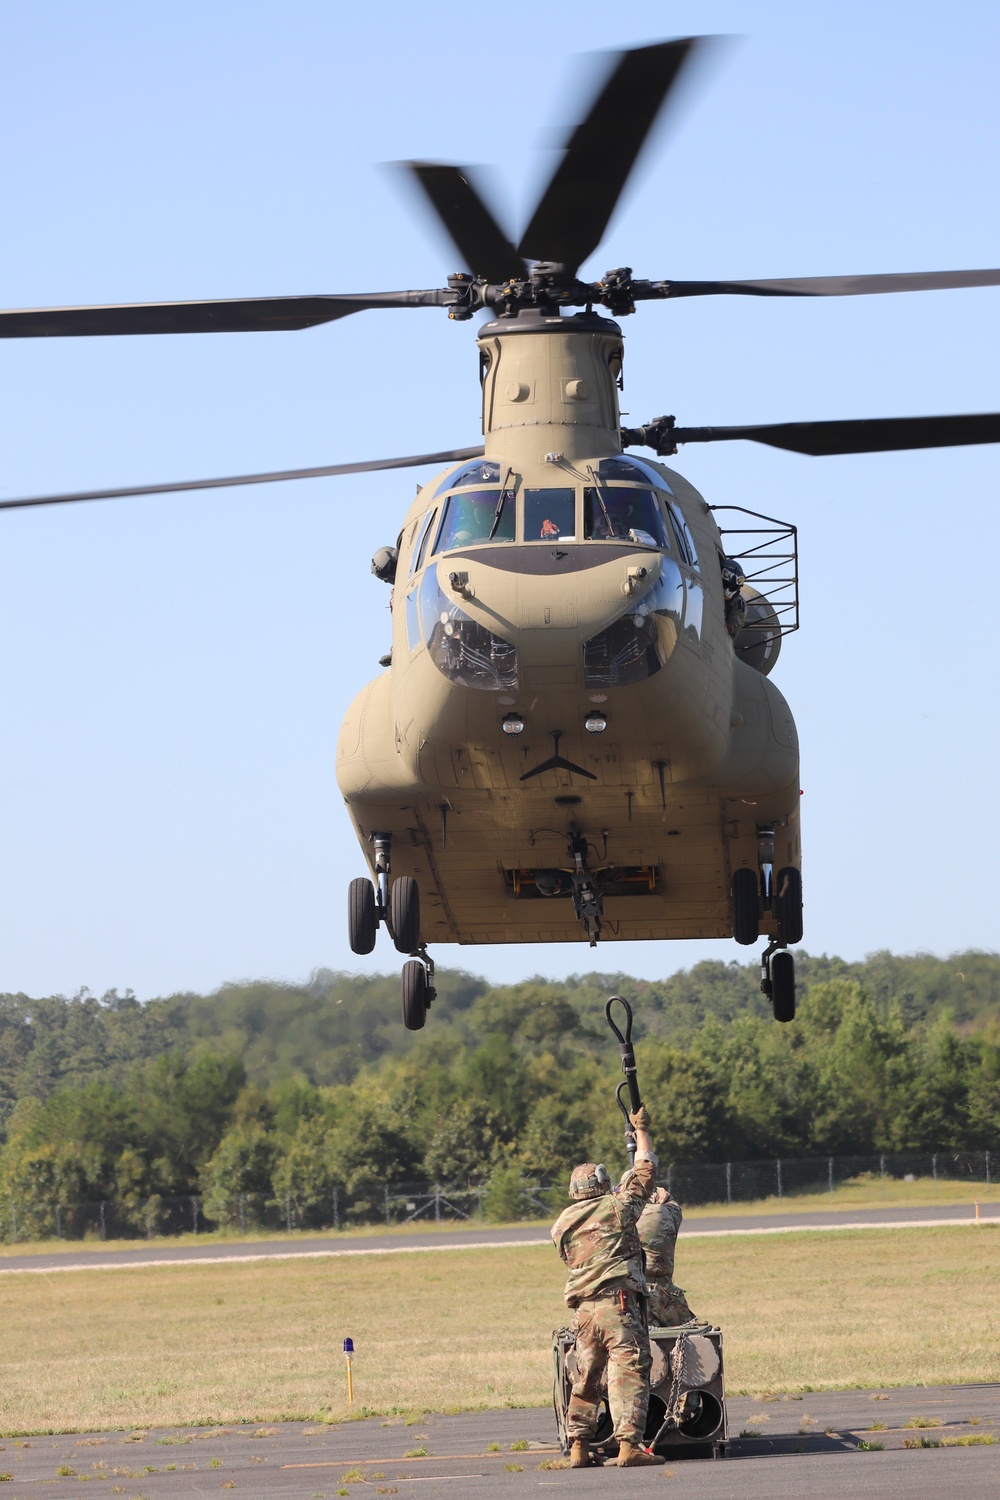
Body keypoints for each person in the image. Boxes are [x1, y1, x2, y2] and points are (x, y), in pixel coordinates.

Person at [550, 1105, 664, 1469]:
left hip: (583, 1310)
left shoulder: (561, 1226)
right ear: (602, 1184)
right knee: (629, 1369)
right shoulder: (616, 1207)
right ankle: (629, 1447)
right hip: (619, 1303)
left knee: (586, 1376)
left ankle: (579, 1447)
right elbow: (646, 1170)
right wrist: (641, 1130)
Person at [637, 1186, 698, 1327]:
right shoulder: (671, 1213)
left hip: (637, 1293)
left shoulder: (625, 1214)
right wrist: (657, 1190)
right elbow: (672, 1203)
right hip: (667, 1293)